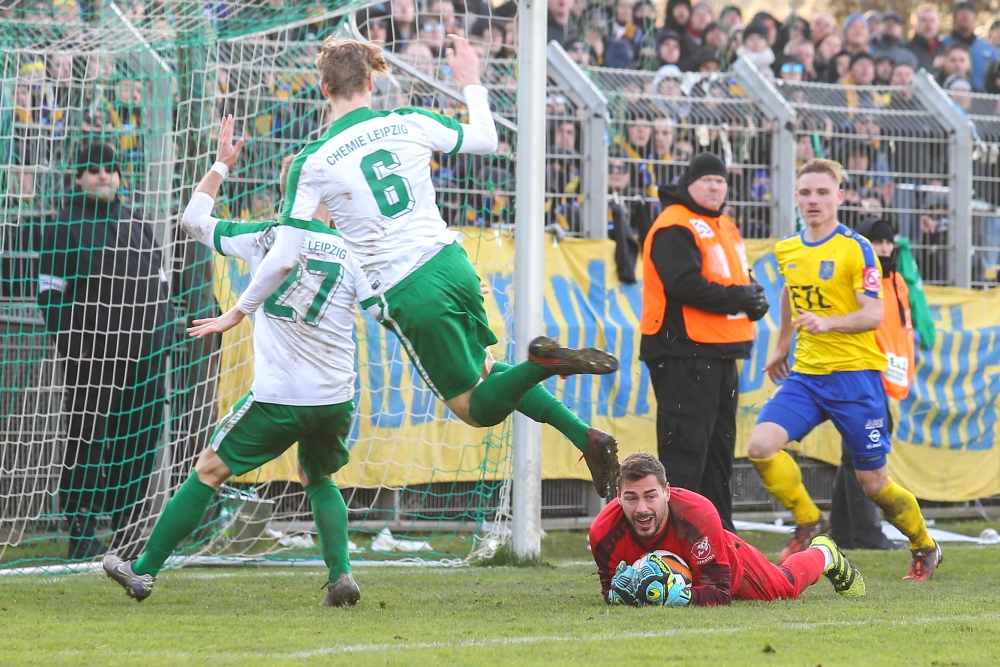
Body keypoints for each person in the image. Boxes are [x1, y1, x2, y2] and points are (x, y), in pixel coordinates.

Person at [187, 37, 623, 498]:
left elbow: (285, 255)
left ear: (321, 88)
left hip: (407, 288)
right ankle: (585, 436)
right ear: (373, 81)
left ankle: (541, 363)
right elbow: (485, 138)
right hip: (453, 262)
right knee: (487, 370)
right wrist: (471, 79)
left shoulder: (312, 160)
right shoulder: (407, 121)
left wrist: (241, 308)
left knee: (476, 408)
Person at [102, 117, 371, 606]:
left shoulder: (263, 237)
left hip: (279, 397)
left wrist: (220, 167)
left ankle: (142, 572)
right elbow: (385, 307)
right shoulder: (355, 252)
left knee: (208, 469)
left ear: (288, 193)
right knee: (319, 477)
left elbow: (193, 222)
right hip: (335, 396)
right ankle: (341, 576)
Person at [747, 158, 941, 580]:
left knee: (875, 485)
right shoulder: (788, 248)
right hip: (808, 375)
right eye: (805, 193)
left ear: (839, 197)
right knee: (761, 445)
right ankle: (807, 520)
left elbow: (873, 314)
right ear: (795, 197)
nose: (813, 200)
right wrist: (782, 346)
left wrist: (827, 323)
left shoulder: (857, 247)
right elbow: (790, 292)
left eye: (821, 192)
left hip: (856, 379)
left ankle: (924, 545)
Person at [37, 141, 169, 561]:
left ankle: (128, 530)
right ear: (78, 177)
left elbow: (162, 288)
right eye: (93, 169)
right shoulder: (63, 225)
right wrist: (73, 348)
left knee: (140, 444)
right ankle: (82, 532)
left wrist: (161, 340)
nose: (103, 175)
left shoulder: (136, 222)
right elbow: (49, 296)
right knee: (89, 443)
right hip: (92, 358)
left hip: (145, 360)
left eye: (110, 168)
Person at [640, 153, 768, 533]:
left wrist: (752, 298)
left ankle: (719, 539)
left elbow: (735, 279)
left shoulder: (725, 225)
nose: (716, 187)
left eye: (721, 181)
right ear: (688, 185)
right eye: (707, 180)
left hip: (720, 351)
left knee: (718, 454)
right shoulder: (674, 225)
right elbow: (683, 284)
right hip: (682, 350)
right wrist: (740, 298)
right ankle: (679, 539)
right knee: (686, 452)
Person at [590, 453, 865, 607]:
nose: (641, 509)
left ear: (667, 491)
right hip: (691, 574)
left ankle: (824, 553)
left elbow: (720, 594)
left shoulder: (699, 516)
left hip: (730, 564)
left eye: (650, 496)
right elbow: (609, 593)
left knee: (784, 588)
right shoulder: (603, 533)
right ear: (618, 495)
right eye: (631, 498)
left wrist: (678, 596)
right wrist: (621, 595)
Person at [829, 218, 913, 551]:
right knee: (865, 451)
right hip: (861, 373)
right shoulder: (858, 281)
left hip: (880, 377)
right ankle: (866, 533)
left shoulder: (898, 281)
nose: (883, 248)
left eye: (887, 241)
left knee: (854, 454)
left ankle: (844, 532)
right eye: (875, 242)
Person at [939, 0, 999, 91]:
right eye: (962, 13)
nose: (966, 16)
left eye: (970, 13)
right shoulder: (941, 44)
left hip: (982, 101)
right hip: (945, 98)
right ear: (954, 16)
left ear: (975, 17)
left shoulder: (989, 49)